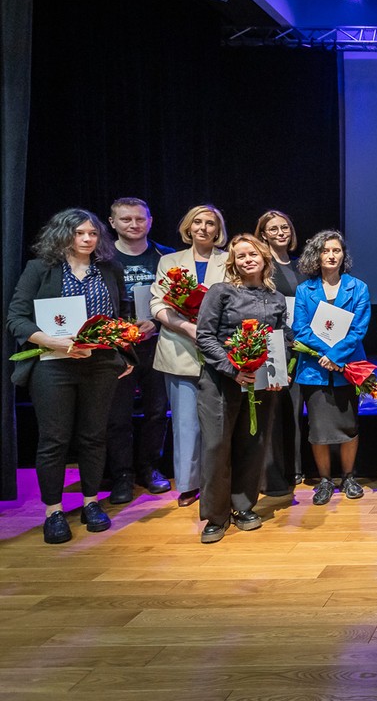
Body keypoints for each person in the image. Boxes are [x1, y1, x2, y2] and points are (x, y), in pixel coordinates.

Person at [8, 209, 134, 544]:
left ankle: (92, 503)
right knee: (55, 440)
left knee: (94, 436)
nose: (88, 239)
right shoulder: (40, 268)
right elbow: (16, 318)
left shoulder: (110, 268)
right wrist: (53, 341)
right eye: (80, 233)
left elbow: (121, 315)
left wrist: (123, 351)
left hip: (100, 364)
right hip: (53, 364)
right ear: (63, 234)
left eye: (92, 233)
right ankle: (53, 511)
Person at [194, 234, 289, 543]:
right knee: (216, 448)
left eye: (253, 254)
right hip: (221, 382)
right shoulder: (220, 292)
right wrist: (232, 369)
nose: (247, 259)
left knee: (254, 443)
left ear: (264, 258)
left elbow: (282, 337)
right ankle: (215, 517)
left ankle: (244, 506)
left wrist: (278, 368)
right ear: (233, 261)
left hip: (261, 382)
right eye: (241, 255)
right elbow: (205, 336)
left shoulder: (275, 297)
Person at [150, 204, 229, 507]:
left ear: (217, 230)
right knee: (184, 422)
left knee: (219, 421)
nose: (204, 228)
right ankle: (187, 484)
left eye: (210, 223)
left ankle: (217, 479)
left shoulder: (229, 258)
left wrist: (210, 332)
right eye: (198, 222)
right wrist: (189, 328)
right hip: (179, 347)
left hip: (220, 350)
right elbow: (158, 305)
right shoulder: (169, 261)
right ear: (188, 226)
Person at [291, 230, 372, 506]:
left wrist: (336, 355)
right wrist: (326, 354)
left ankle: (349, 477)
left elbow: (358, 328)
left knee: (348, 426)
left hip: (347, 367)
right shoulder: (305, 290)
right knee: (318, 430)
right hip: (314, 369)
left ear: (343, 255)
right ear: (317, 255)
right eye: (326, 251)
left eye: (336, 250)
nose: (331, 255)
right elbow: (300, 328)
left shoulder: (358, 287)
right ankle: (325, 480)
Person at [104, 197, 174, 503]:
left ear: (150, 221)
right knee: (117, 416)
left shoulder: (166, 257)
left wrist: (157, 324)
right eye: (126, 219)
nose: (134, 225)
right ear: (112, 223)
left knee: (157, 411)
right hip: (115, 349)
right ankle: (122, 476)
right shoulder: (101, 258)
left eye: (140, 219)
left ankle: (150, 468)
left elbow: (180, 302)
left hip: (157, 344)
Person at [254, 210, 304, 495]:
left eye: (285, 227)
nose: (281, 232)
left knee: (294, 409)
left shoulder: (301, 267)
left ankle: (294, 468)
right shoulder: (262, 266)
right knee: (271, 410)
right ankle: (272, 473)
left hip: (299, 345)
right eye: (273, 229)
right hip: (272, 344)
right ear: (263, 234)